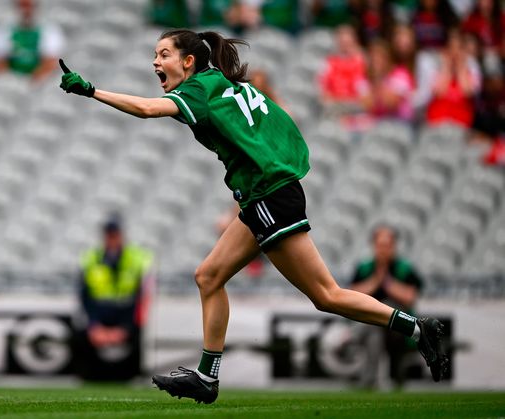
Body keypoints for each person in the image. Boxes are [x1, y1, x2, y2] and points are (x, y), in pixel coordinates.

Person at [58, 28, 449, 404]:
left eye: (164, 54)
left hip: (269, 197)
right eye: (155, 55)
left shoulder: (198, 90)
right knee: (208, 276)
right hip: (265, 195)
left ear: (189, 60)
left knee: (325, 295)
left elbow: (146, 109)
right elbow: (274, 124)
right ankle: (207, 376)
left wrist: (91, 90)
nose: (155, 62)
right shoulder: (221, 83)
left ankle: (417, 327)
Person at [76, 215, 154, 381]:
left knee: (137, 342)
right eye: (108, 234)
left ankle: (131, 376)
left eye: (114, 234)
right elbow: (84, 295)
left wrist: (127, 328)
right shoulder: (90, 257)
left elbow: (142, 296)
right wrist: (94, 325)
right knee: (81, 336)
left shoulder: (138, 258)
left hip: (126, 313)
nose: (111, 238)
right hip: (100, 313)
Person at [351, 225, 423, 388]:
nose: (383, 250)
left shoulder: (404, 269)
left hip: (398, 328)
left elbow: (410, 297)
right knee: (374, 329)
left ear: (394, 246)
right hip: (372, 325)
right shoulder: (364, 268)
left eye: (387, 245)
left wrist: (387, 282)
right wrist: (377, 279)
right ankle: (374, 380)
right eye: (379, 245)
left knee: (385, 308)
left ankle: (352, 337)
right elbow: (353, 294)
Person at [0, 0, 64, 82]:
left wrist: (33, 82)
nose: (25, 10)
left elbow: (50, 63)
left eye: (29, 6)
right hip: (11, 82)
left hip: (41, 83)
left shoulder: (49, 30)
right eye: (22, 6)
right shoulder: (4, 30)